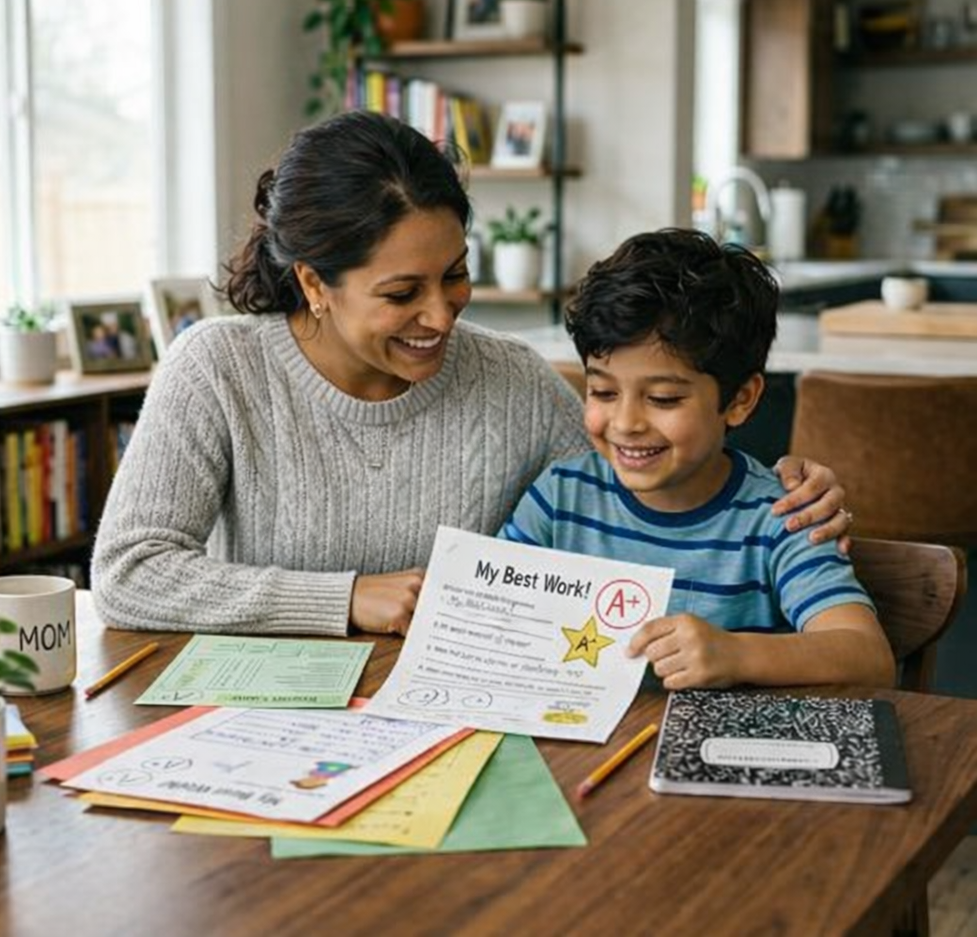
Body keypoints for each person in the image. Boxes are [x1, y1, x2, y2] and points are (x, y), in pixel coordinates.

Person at [91, 111, 850, 639]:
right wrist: (345, 599)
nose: (441, 315)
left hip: (451, 722)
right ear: (315, 284)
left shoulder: (512, 381)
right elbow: (129, 574)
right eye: (402, 293)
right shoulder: (218, 367)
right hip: (255, 725)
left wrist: (780, 486)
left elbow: (637, 485)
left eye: (454, 275)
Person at [498, 229, 895, 688]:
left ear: (741, 399)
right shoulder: (559, 497)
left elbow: (870, 657)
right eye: (603, 391)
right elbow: (491, 614)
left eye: (663, 399)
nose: (626, 422)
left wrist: (737, 653)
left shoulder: (781, 517)